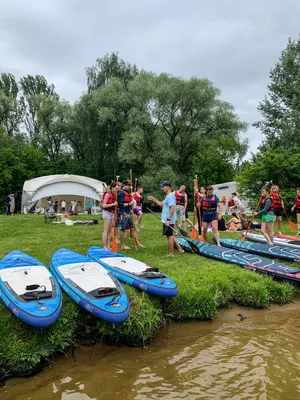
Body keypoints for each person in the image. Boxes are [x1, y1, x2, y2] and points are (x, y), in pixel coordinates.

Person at [148, 181, 184, 257]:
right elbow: (161, 204)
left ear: (167, 186)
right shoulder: (168, 196)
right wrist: (153, 199)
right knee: (171, 235)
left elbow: (173, 208)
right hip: (167, 220)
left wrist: (168, 219)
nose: (162, 188)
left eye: (163, 187)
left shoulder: (170, 196)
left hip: (168, 220)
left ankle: (171, 253)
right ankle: (180, 249)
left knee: (169, 236)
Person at [117, 180, 143, 250]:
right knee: (122, 229)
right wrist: (129, 204)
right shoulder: (121, 193)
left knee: (132, 228)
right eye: (128, 186)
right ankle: (122, 245)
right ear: (124, 185)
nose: (129, 187)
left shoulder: (128, 193)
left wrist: (131, 208)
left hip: (129, 213)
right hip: (123, 213)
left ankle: (137, 242)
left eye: (129, 186)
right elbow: (120, 204)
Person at [102, 183, 118, 250]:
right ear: (112, 187)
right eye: (115, 188)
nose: (116, 189)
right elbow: (104, 205)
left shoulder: (114, 195)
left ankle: (108, 245)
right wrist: (113, 204)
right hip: (107, 213)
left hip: (112, 213)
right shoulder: (107, 194)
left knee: (109, 230)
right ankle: (104, 246)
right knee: (106, 230)